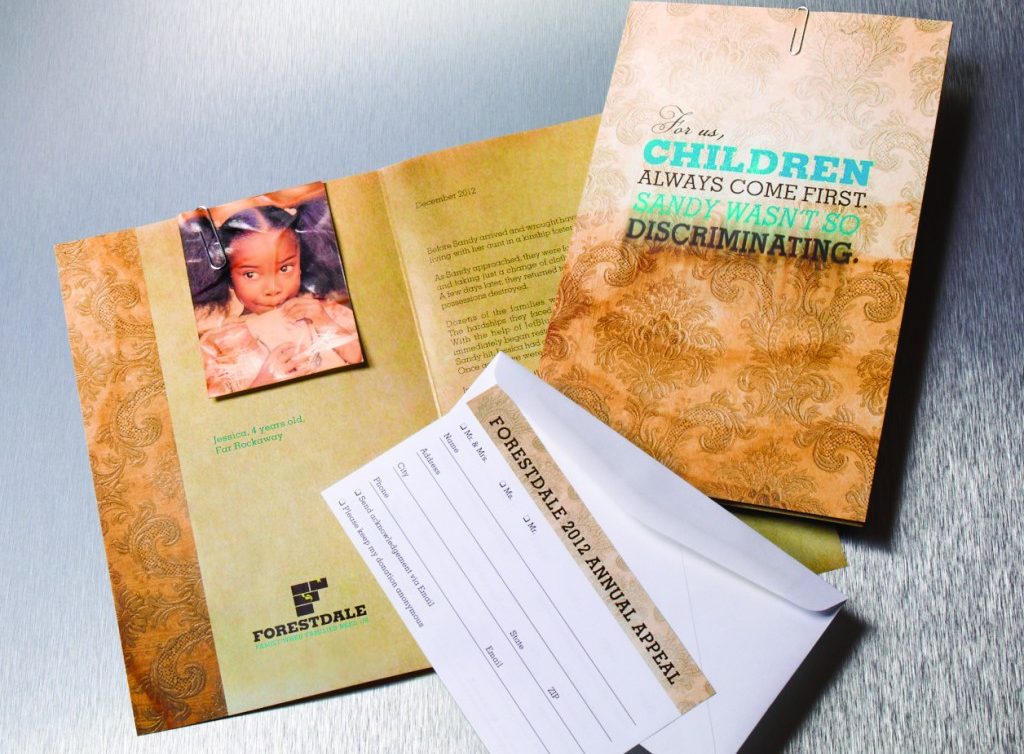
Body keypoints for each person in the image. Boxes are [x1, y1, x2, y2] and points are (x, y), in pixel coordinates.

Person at [181, 198, 363, 396]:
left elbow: (362, 359)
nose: (273, 288)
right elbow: (218, 405)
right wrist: (263, 381)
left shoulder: (327, 312)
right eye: (250, 274)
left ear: (301, 264)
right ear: (229, 278)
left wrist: (325, 322)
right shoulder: (217, 345)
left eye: (285, 268)